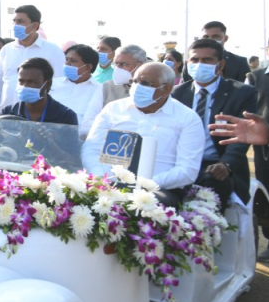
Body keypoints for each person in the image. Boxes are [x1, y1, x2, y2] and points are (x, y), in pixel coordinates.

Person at [83, 63, 204, 208]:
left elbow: (187, 170)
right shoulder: (113, 109)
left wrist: (144, 184)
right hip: (108, 182)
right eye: (134, 81)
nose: (137, 87)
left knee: (144, 205)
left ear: (166, 89)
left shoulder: (187, 118)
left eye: (146, 83)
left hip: (158, 190)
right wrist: (100, 179)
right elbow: (91, 148)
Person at [170, 38, 258, 208]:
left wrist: (226, 164)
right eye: (195, 60)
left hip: (217, 164)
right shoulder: (176, 94)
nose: (200, 64)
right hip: (181, 162)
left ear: (220, 64)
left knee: (214, 183)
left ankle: (207, 231)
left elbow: (241, 137)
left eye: (207, 60)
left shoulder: (241, 93)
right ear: (187, 63)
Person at [0, 5, 65, 121]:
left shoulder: (53, 51)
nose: (16, 25)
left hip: (40, 120)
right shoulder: (7, 50)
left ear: (35, 25)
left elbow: (59, 87)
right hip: (7, 117)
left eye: (21, 21)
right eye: (14, 21)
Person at [81, 44, 147, 134]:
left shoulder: (153, 90)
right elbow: (86, 124)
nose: (117, 69)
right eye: (115, 64)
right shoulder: (106, 87)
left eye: (123, 64)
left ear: (140, 65)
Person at [0, 57, 78, 125]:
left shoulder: (65, 116)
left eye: (32, 82)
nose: (25, 86)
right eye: (21, 81)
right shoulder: (7, 112)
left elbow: (69, 144)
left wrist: (49, 140)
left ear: (48, 84)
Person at [50, 44, 101, 138]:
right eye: (66, 59)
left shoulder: (100, 90)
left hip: (82, 140)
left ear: (88, 67)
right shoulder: (52, 84)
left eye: (73, 61)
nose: (67, 64)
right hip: (48, 137)